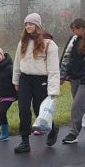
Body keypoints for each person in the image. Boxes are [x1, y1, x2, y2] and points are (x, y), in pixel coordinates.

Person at [11, 13, 60, 154]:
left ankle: (53, 129)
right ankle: (25, 141)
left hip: (41, 81)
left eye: (31, 24)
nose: (28, 26)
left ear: (38, 25)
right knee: (23, 110)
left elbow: (54, 70)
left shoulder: (49, 44)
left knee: (40, 110)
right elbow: (17, 63)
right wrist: (16, 80)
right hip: (25, 80)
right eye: (26, 24)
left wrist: (53, 91)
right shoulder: (22, 43)